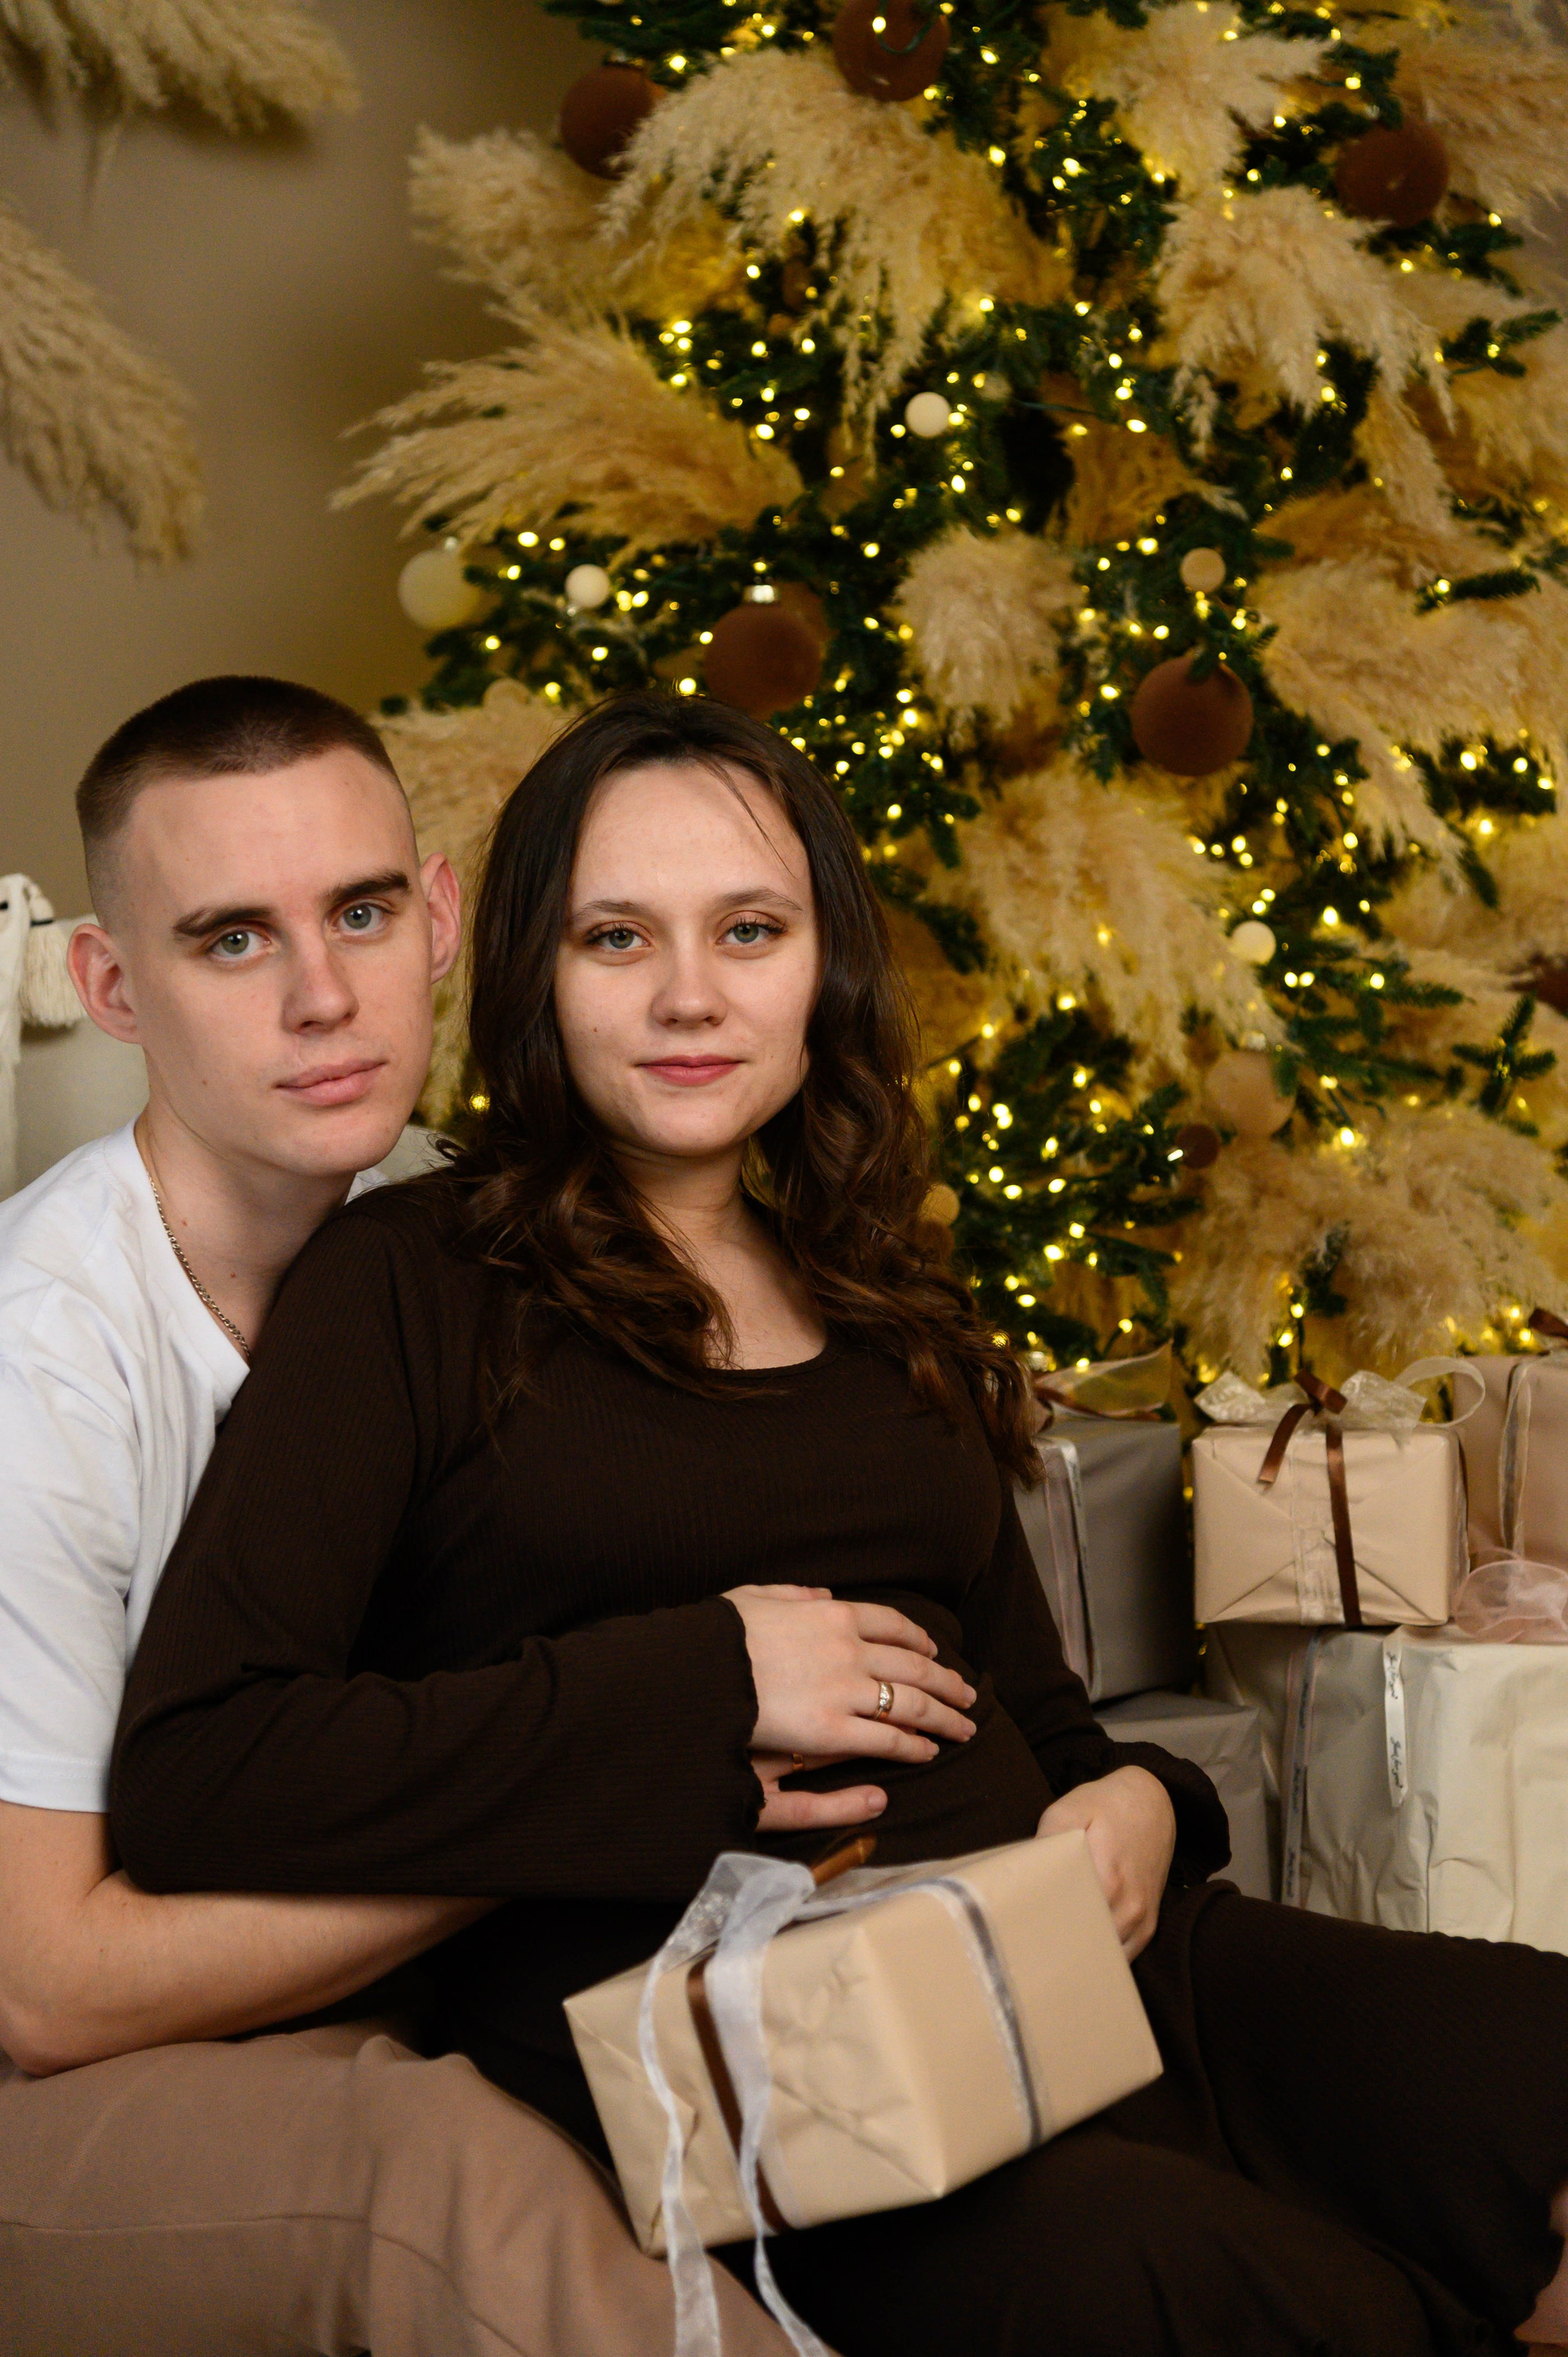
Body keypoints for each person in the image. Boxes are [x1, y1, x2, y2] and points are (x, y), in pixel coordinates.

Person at [113, 689, 1568, 2357]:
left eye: (751, 930)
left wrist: (1144, 1804)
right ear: (530, 971)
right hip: (780, 2069)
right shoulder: (412, 1284)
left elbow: (1037, 1714)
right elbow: (205, 1769)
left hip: (1084, 1970)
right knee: (1204, 2280)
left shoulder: (879, 1289)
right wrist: (709, 1681)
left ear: (824, 967)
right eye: (615, 936)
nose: (691, 995)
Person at [0, 674, 858, 2357]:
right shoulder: (44, 1369)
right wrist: (601, 1795)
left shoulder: (456, 1228)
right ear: (110, 984)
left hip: (362, 1998)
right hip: (54, 2083)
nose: (324, 998)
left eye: (362, 912)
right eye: (231, 940)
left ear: (444, 918)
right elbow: (47, 1991)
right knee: (449, 2178)